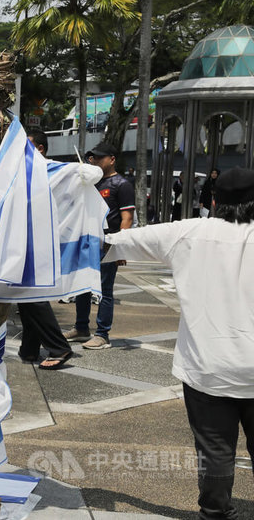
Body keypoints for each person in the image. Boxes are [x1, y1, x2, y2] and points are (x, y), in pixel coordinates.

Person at [102, 167, 254, 520]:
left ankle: (215, 511)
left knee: (215, 447)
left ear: (214, 200)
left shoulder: (187, 232)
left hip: (208, 364)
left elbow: (116, 241)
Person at [63, 141, 133, 350]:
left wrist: (119, 245)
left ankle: (102, 334)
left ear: (112, 160)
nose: (94, 160)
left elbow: (126, 218)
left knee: (105, 290)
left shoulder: (122, 184)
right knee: (83, 285)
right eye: (92, 157)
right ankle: (81, 328)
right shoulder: (91, 182)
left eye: (99, 157)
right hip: (88, 241)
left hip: (108, 244)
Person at [17, 131, 74, 370]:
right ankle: (29, 349)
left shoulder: (52, 170)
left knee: (33, 297)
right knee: (25, 297)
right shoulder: (25, 171)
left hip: (40, 241)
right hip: (24, 239)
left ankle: (59, 347)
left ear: (40, 149)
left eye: (27, 147)